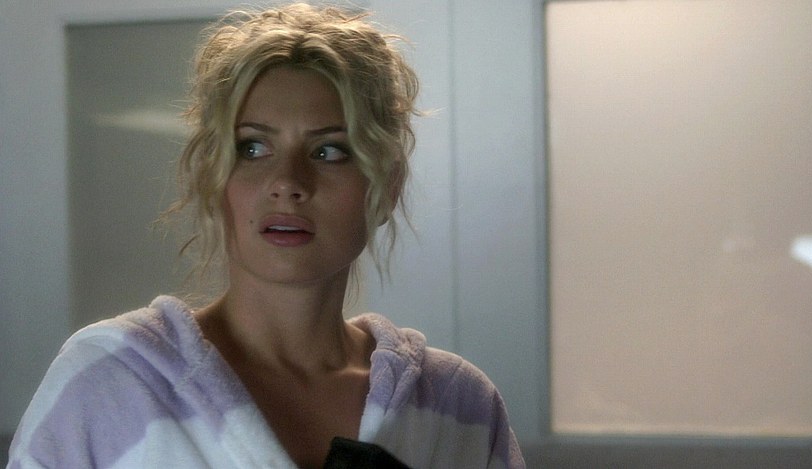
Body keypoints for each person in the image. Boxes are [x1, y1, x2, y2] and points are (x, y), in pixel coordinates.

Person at [7, 3, 524, 468]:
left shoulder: (458, 405)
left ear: (386, 187)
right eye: (253, 148)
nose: (287, 183)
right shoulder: (111, 382)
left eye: (329, 151)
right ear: (213, 176)